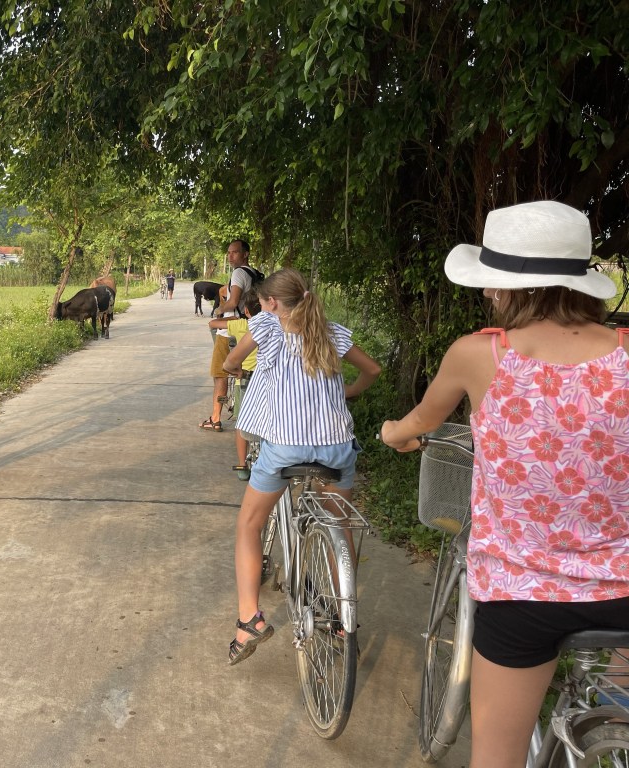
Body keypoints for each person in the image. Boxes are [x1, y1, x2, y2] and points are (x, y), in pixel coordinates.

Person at [379, 201, 629, 768]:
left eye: (492, 287)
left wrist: (394, 433)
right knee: (616, 704)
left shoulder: (480, 355)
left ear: (510, 290)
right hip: (623, 585)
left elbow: (420, 421)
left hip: (523, 596)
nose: (489, 296)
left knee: (496, 756)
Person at [223, 268, 381, 665]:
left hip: (285, 449)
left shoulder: (267, 328)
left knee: (248, 525)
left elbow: (231, 361)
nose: (260, 305)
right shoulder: (332, 332)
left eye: (263, 300)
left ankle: (248, 621)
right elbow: (373, 371)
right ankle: (345, 619)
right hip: (337, 448)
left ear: (273, 303)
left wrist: (236, 371)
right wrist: (347, 393)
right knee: (338, 526)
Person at [200, 240, 260, 432]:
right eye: (229, 253)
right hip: (247, 326)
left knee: (220, 375)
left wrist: (219, 310)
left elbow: (233, 301)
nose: (230, 256)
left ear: (246, 254)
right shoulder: (254, 273)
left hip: (229, 330)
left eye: (235, 252)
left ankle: (216, 417)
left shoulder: (238, 273)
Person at [210, 288, 262, 476]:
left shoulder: (241, 325)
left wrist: (232, 319)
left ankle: (242, 465)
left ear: (246, 311)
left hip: (245, 378)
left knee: (242, 422)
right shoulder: (274, 326)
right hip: (265, 380)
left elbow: (213, 323)